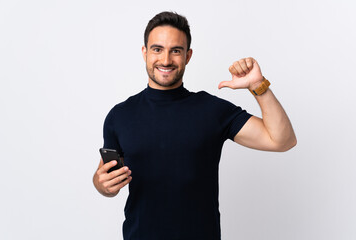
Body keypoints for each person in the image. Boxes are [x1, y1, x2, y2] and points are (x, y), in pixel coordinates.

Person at [93, 11, 296, 240]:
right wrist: (101, 184)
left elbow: (283, 140)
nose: (166, 60)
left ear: (188, 56)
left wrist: (258, 86)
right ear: (145, 53)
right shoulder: (119, 116)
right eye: (157, 49)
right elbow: (105, 180)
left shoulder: (212, 110)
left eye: (176, 50)